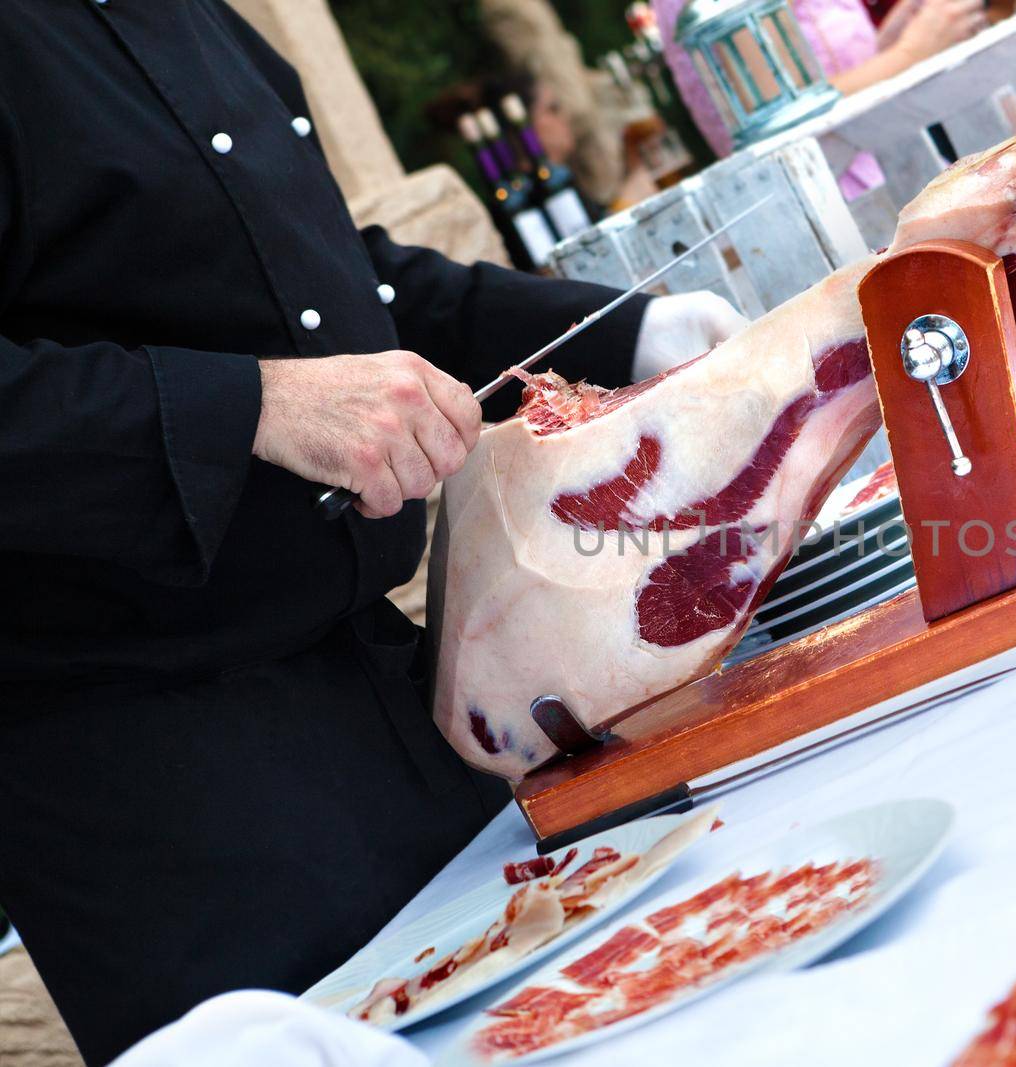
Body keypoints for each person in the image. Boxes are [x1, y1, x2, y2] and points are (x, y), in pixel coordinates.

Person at [0, 3, 741, 1063]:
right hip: (155, 785)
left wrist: (620, 330)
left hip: (392, 697)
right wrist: (252, 406)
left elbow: (324, 282)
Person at [653, 0, 989, 160]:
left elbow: (816, 76)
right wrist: (913, 51)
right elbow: (783, 119)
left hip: (885, 161)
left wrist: (893, 39)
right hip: (840, 193)